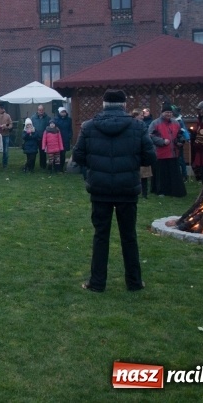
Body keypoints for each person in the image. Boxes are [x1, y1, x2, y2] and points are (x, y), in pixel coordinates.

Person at [72, 89, 155, 293]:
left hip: (100, 189)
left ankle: (97, 282)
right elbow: (150, 157)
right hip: (127, 188)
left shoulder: (89, 127)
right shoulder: (137, 127)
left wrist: (93, 166)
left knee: (101, 236)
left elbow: (78, 156)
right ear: (124, 105)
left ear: (103, 105)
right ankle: (134, 282)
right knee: (129, 236)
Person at [148, 103, 187, 198]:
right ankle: (161, 191)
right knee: (162, 174)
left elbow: (179, 134)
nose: (168, 114)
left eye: (170, 112)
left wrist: (180, 141)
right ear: (162, 113)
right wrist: (161, 141)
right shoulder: (155, 123)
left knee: (174, 173)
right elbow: (150, 136)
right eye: (166, 112)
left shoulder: (176, 123)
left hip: (173, 153)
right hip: (160, 153)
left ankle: (174, 191)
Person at [132, 110, 153, 198]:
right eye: (141, 115)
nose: (142, 117)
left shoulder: (143, 124)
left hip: (143, 152)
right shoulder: (131, 125)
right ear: (135, 115)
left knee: (144, 175)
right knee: (135, 174)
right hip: (134, 152)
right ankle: (135, 191)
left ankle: (144, 193)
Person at [53, 107, 73, 173]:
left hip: (65, 139)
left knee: (63, 154)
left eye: (64, 112)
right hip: (57, 139)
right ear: (59, 112)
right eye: (62, 112)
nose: (63, 113)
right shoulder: (55, 120)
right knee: (56, 154)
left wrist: (69, 136)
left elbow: (70, 129)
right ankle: (56, 167)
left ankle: (61, 167)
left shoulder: (69, 120)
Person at [31, 105, 51, 170]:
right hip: (35, 137)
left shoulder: (48, 118)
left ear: (44, 110)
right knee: (33, 152)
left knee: (43, 152)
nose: (41, 111)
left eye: (42, 110)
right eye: (39, 110)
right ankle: (32, 165)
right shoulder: (33, 118)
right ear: (37, 110)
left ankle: (43, 165)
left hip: (43, 138)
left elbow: (49, 127)